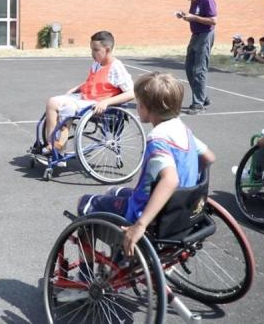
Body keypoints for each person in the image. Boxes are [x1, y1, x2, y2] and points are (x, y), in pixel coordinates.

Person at [76, 72, 215, 257]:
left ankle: (87, 274)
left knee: (84, 203)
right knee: (113, 192)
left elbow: (170, 180)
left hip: (147, 213)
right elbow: (209, 157)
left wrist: (140, 224)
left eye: (139, 104)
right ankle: (119, 257)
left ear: (146, 108)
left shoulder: (157, 139)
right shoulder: (183, 129)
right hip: (180, 210)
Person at [37, 31, 134, 164]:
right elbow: (92, 82)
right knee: (52, 102)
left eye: (96, 50)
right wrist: (76, 88)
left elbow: (131, 93)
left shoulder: (116, 68)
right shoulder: (97, 63)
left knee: (67, 107)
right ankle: (51, 144)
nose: (92, 53)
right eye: (91, 49)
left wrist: (106, 102)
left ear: (108, 49)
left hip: (97, 103)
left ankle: (58, 148)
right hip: (84, 98)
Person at [176, 0, 217, 115]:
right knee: (189, 66)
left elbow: (213, 20)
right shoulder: (195, 0)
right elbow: (195, 17)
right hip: (196, 35)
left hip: (205, 35)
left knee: (200, 69)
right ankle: (202, 97)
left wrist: (194, 17)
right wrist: (185, 16)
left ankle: (198, 104)